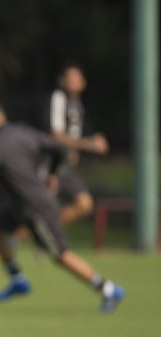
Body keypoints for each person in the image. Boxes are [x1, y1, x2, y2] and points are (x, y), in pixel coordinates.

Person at [0, 98, 124, 313]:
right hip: (19, 202)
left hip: (34, 206)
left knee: (60, 255)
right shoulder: (23, 132)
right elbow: (58, 148)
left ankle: (108, 289)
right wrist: (51, 173)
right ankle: (17, 279)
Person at [44, 62, 109, 225]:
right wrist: (89, 144)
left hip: (65, 164)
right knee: (38, 208)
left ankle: (47, 231)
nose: (72, 80)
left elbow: (72, 135)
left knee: (84, 204)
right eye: (68, 77)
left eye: (76, 77)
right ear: (61, 80)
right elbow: (56, 135)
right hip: (50, 163)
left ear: (83, 82)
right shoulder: (58, 98)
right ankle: (28, 233)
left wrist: (76, 150)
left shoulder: (77, 104)